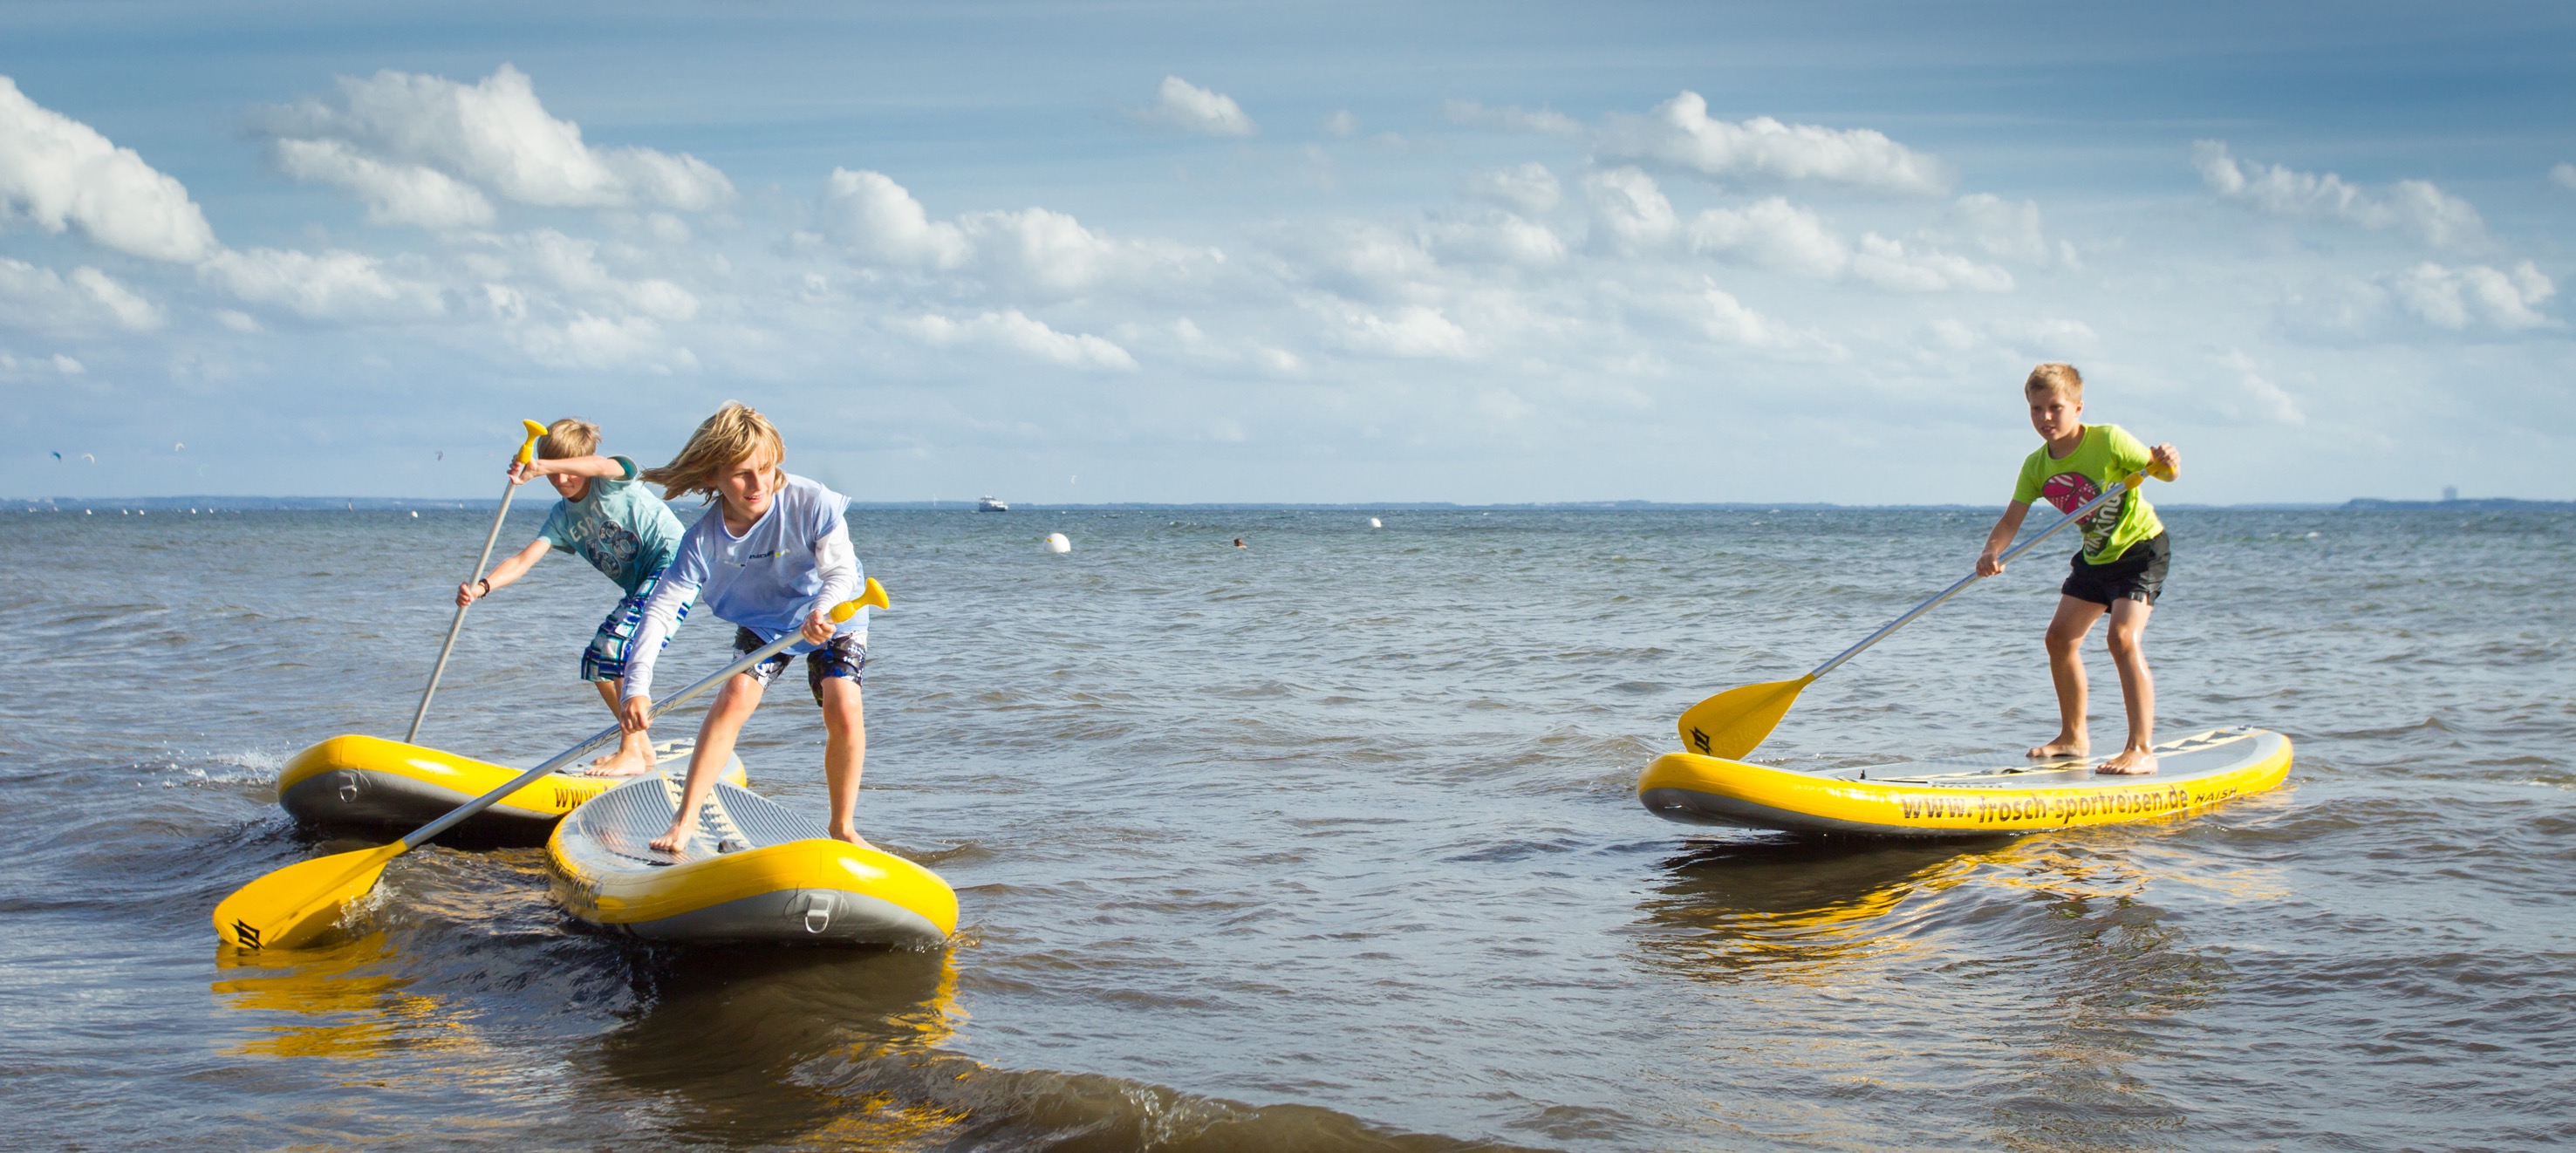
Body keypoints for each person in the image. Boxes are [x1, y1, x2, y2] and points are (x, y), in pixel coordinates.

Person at [615, 402, 873, 852]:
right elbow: (661, 610)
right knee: (734, 696)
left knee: (843, 705)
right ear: (714, 476)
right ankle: (685, 820)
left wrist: (823, 609)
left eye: (766, 469)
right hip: (766, 621)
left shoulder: (813, 502)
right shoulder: (703, 540)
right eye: (741, 474)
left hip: (834, 611)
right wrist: (636, 686)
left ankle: (842, 828)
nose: (758, 485)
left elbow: (840, 573)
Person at [1973, 363, 2181, 775]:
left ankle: (2141, 749)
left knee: (2121, 639)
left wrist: (2168, 461)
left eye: (2055, 407)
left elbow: (2165, 473)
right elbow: (2011, 519)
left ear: (2078, 407)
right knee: (2059, 639)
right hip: (2095, 556)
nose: (2045, 418)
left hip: (2141, 550)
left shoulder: (2109, 440)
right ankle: (2073, 737)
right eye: (2036, 409)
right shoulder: (2036, 466)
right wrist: (1991, 551)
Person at [458, 418, 689, 776]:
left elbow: (598, 465)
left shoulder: (610, 478)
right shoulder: (561, 517)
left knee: (617, 648)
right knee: (597, 662)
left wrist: (541, 467)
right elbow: (523, 560)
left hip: (674, 563)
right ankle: (641, 748)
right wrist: (482, 587)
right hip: (642, 583)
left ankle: (628, 751)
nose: (561, 481)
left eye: (568, 471)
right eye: (554, 475)